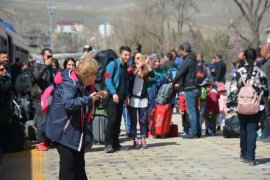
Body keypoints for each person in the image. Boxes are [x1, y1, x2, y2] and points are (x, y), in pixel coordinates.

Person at [45, 55, 98, 180]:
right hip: (63, 132)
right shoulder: (71, 84)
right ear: (89, 75)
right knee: (68, 167)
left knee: (79, 165)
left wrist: (97, 97)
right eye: (95, 73)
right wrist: (89, 98)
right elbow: (69, 104)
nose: (97, 76)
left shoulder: (81, 83)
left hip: (73, 132)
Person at [226, 48, 268, 166]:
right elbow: (265, 90)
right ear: (255, 57)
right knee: (252, 129)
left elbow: (233, 90)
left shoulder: (238, 72)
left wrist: (229, 104)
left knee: (243, 129)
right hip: (256, 107)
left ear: (244, 57)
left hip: (241, 106)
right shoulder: (260, 72)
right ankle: (251, 157)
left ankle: (243, 154)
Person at [104, 46, 131, 153]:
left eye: (129, 55)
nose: (127, 57)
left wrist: (127, 95)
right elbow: (107, 79)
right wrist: (114, 93)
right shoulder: (112, 64)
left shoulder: (125, 66)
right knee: (111, 121)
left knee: (118, 122)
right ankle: (108, 144)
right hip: (112, 97)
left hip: (121, 98)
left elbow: (126, 82)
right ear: (120, 55)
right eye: (125, 55)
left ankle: (115, 143)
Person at [172, 42, 201, 138]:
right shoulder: (194, 59)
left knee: (191, 111)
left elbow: (181, 72)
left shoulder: (187, 60)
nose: (180, 52)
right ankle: (198, 132)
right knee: (196, 111)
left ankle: (192, 132)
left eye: (181, 50)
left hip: (190, 88)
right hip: (196, 87)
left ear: (184, 50)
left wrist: (173, 82)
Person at [32, 48, 54, 151]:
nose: (50, 58)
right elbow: (37, 77)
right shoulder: (38, 65)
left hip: (48, 96)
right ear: (42, 56)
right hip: (39, 96)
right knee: (41, 120)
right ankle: (39, 142)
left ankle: (46, 141)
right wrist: (45, 65)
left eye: (51, 56)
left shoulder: (50, 67)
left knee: (48, 120)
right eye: (48, 56)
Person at [128, 54, 151, 149]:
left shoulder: (146, 69)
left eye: (141, 57)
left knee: (143, 120)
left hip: (143, 99)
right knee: (133, 121)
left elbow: (152, 74)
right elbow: (130, 78)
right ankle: (135, 139)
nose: (139, 59)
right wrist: (137, 67)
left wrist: (146, 64)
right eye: (137, 58)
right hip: (133, 98)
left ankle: (143, 138)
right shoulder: (132, 69)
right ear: (134, 60)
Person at [0, 62, 15, 153]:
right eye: (1, 70)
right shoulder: (5, 80)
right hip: (2, 108)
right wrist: (10, 87)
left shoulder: (6, 78)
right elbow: (5, 88)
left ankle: (5, 148)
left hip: (5, 108)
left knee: (5, 129)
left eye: (5, 68)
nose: (4, 70)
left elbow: (13, 89)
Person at [259, 42, 270, 141]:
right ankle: (264, 133)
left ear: (267, 50)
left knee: (268, 113)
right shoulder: (263, 62)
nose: (260, 52)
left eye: (262, 50)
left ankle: (268, 134)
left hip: (268, 93)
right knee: (263, 113)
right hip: (262, 93)